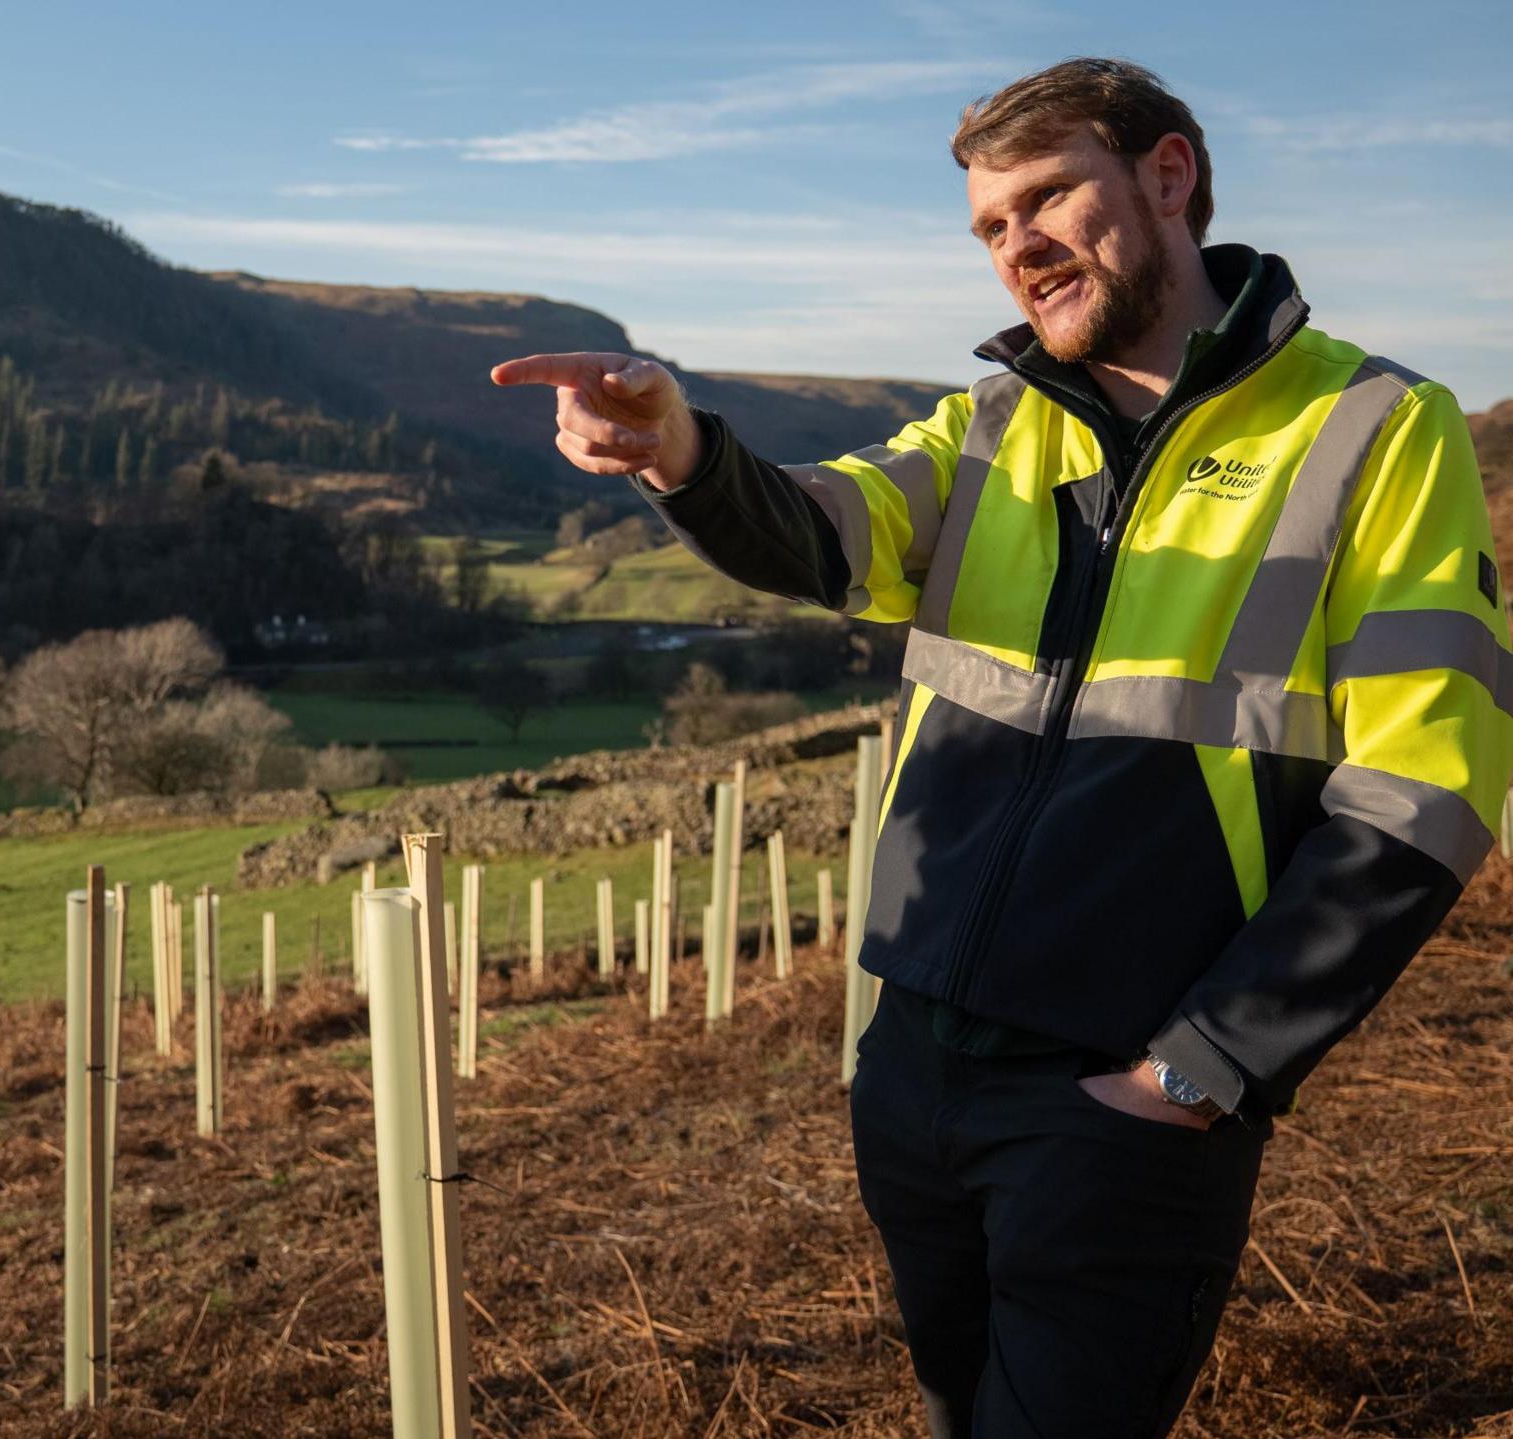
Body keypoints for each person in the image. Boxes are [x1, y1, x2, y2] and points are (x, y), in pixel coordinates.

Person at [494, 58, 1508, 1438]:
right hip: (913, 1069)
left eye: (1048, 198)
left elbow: (1428, 787)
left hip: (1127, 1098)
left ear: (1168, 178)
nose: (1017, 245)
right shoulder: (990, 423)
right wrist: (681, 451)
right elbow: (824, 526)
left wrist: (1203, 1065)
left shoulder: (1375, 428)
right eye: (989, 226)